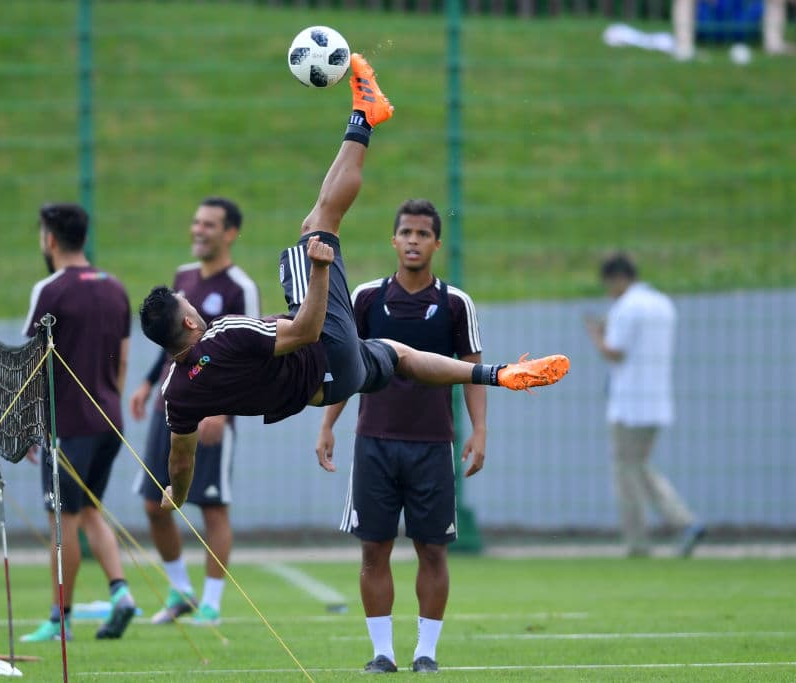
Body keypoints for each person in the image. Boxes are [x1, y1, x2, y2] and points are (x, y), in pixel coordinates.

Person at [138, 54, 570, 517]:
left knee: (398, 353)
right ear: (188, 319)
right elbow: (304, 331)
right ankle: (365, 113)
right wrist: (320, 269)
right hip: (323, 348)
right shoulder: (225, 336)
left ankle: (498, 374)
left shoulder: (176, 393)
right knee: (320, 221)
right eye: (190, 305)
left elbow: (180, 458)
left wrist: (176, 495)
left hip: (332, 385)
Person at [314, 198, 484, 674]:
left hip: (433, 445)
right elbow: (348, 367)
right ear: (393, 240)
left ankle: (426, 653)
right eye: (405, 232)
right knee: (374, 547)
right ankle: (382, 652)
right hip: (375, 442)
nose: (413, 241)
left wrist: (480, 432)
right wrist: (328, 424)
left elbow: (472, 372)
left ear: (436, 243)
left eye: (423, 234)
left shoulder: (455, 303)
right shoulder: (367, 298)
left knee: (432, 549)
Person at [129, 198, 259, 627]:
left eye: (209, 224)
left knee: (211, 507)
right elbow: (170, 341)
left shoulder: (240, 285)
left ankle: (213, 604)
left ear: (230, 233)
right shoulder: (183, 279)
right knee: (154, 502)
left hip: (214, 411)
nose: (198, 230)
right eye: (196, 222)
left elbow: (254, 348)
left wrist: (220, 410)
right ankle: (180, 589)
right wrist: (149, 383)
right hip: (174, 404)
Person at [19, 203, 137, 642]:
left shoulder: (50, 290)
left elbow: (30, 364)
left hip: (69, 426)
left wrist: (33, 425)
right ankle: (121, 593)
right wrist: (111, 405)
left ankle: (59, 618)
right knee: (90, 511)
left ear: (49, 239)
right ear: (83, 238)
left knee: (62, 519)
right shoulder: (115, 288)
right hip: (111, 420)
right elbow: (122, 359)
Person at [585, 252, 704, 558]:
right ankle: (683, 523)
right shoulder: (662, 303)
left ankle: (641, 540)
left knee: (626, 472)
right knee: (638, 466)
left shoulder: (626, 308)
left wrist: (596, 335)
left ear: (616, 279)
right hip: (657, 401)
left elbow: (615, 352)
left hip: (628, 404)